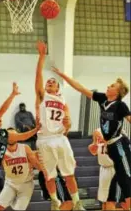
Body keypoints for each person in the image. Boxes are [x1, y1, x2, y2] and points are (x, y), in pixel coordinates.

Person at [52, 67, 131, 210]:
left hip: (119, 144)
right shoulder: (102, 99)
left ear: (118, 92)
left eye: (112, 86)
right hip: (111, 147)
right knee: (117, 188)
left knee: (126, 180)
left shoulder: (120, 105)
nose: (108, 86)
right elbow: (81, 89)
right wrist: (63, 75)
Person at [35, 41, 85, 211]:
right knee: (49, 174)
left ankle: (77, 203)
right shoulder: (42, 97)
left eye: (53, 82)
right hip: (44, 139)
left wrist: (68, 123)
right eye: (47, 82)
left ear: (57, 87)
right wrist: (41, 57)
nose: (49, 82)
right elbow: (38, 79)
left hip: (60, 138)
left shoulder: (63, 101)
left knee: (69, 173)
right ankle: (55, 201)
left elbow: (68, 122)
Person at [0, 83, 41, 211]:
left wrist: (37, 129)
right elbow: (2, 111)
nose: (0, 118)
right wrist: (12, 95)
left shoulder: (4, 133)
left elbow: (22, 137)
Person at [0, 128, 47, 211]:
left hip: (26, 184)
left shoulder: (25, 148)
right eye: (9, 136)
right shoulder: (1, 151)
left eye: (14, 136)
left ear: (18, 137)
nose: (11, 138)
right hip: (10, 183)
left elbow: (35, 163)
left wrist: (46, 172)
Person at [88, 128, 127, 210]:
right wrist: (94, 145)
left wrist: (106, 141)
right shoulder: (97, 131)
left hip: (115, 169)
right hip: (103, 169)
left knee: (114, 200)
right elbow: (94, 151)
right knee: (104, 200)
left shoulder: (120, 132)